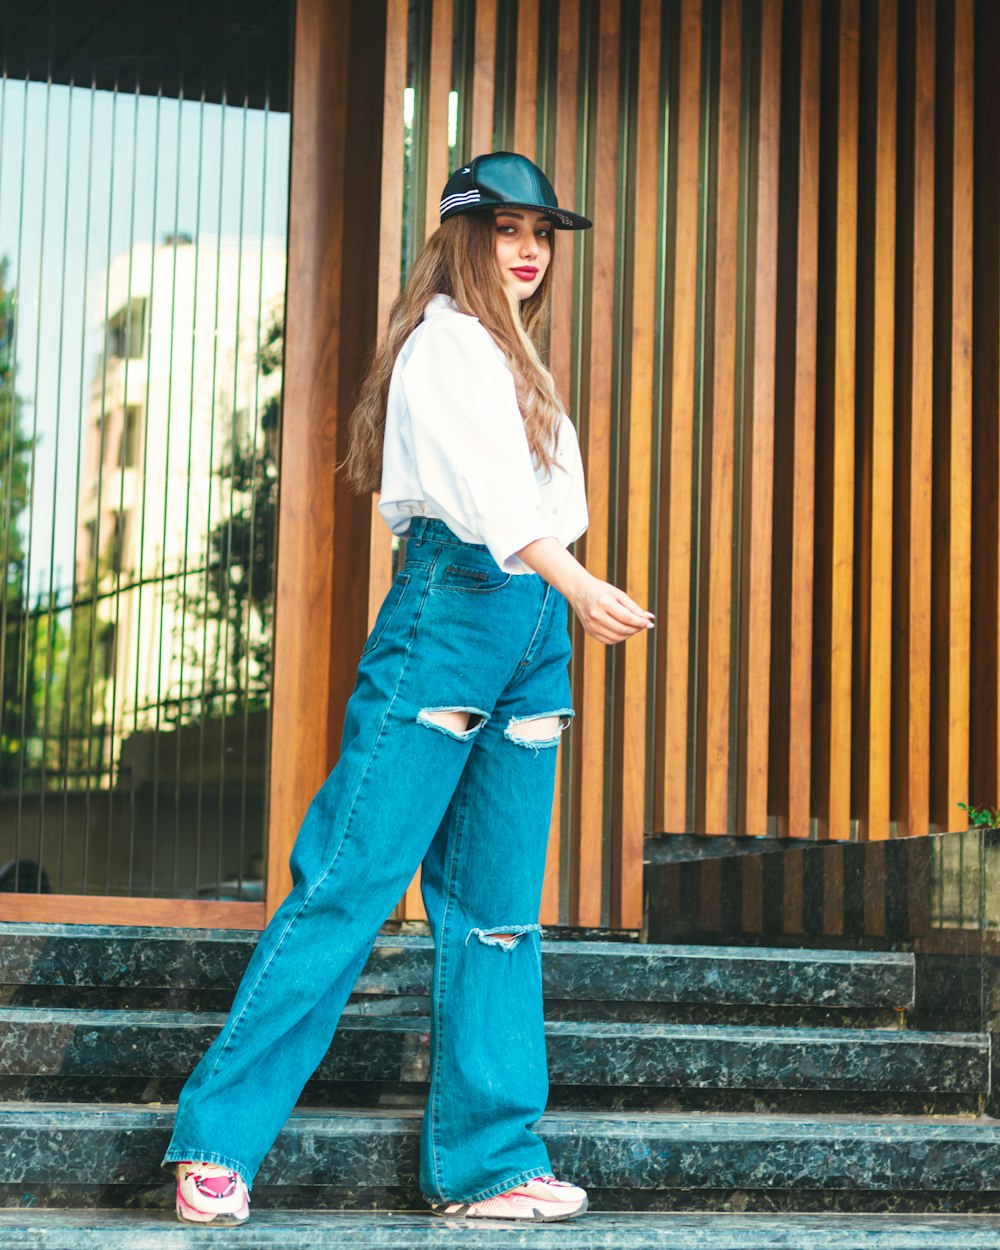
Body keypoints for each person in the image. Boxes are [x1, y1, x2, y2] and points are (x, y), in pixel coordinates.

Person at [162, 150, 654, 1226]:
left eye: (542, 235)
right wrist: (574, 583)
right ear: (462, 234)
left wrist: (558, 597)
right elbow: (485, 494)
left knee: (495, 915)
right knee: (349, 874)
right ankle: (217, 1140)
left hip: (527, 628)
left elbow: (543, 496)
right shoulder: (441, 344)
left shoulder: (515, 353)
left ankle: (488, 1159)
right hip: (457, 610)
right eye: (508, 230)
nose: (528, 251)